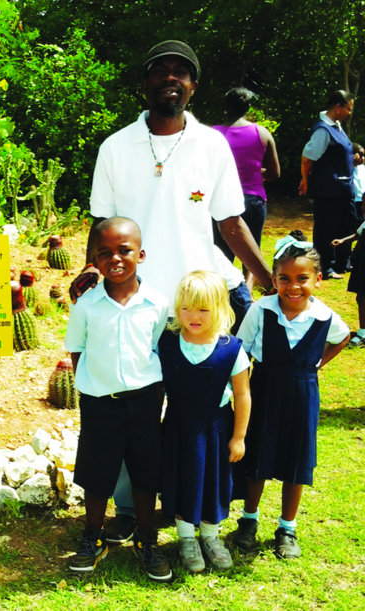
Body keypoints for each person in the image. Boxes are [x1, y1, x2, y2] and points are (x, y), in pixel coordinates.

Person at [70, 40, 272, 542]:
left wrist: (269, 280)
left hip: (197, 303)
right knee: (126, 406)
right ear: (145, 84)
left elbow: (229, 221)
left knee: (204, 410)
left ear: (193, 86)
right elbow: (102, 224)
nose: (170, 78)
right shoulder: (116, 147)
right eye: (160, 70)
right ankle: (125, 510)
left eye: (181, 72)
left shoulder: (211, 145)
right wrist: (93, 271)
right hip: (131, 300)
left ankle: (199, 505)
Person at [65, 217, 172, 582]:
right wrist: (94, 385)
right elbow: (78, 349)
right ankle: (92, 538)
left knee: (145, 473)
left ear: (140, 254)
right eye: (104, 253)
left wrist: (153, 393)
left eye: (124, 250)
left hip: (143, 402)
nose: (115, 258)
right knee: (97, 474)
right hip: (100, 404)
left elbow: (157, 346)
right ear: (94, 259)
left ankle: (147, 539)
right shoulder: (87, 305)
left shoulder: (157, 303)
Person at [233, 233, 349, 559]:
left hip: (303, 393)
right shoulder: (261, 309)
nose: (293, 287)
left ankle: (287, 526)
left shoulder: (325, 317)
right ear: (273, 279)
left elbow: (343, 337)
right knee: (257, 456)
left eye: (303, 279)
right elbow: (240, 351)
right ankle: (249, 521)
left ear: (318, 279)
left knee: (296, 461)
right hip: (264, 390)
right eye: (285, 279)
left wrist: (317, 364)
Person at [158, 271, 251, 572]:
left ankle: (211, 536)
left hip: (216, 428)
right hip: (178, 427)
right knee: (183, 478)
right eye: (185, 308)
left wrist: (238, 437)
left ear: (220, 308)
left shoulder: (231, 349)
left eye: (203, 309)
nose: (193, 316)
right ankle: (186, 538)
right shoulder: (168, 343)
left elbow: (243, 394)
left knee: (214, 480)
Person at [213, 87, 281, 289]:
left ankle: (220, 293)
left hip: (219, 201)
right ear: (248, 107)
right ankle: (249, 292)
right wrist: (260, 173)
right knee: (252, 248)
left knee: (220, 251)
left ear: (226, 107)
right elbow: (275, 173)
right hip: (253, 198)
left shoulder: (212, 134)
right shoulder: (262, 133)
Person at [298, 90, 358, 280]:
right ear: (338, 107)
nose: (350, 113)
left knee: (347, 225)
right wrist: (305, 180)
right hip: (328, 190)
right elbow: (308, 159)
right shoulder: (323, 130)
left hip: (344, 189)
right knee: (326, 228)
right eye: (348, 109)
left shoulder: (338, 127)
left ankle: (343, 263)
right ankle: (325, 266)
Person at [332, 217, 365, 346]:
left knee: (363, 298)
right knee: (360, 297)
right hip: (360, 262)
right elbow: (359, 233)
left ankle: (363, 335)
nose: (362, 207)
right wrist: (343, 240)